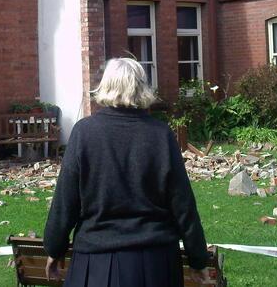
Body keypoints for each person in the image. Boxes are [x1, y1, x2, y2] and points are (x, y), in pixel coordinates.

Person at [43, 57, 210, 287]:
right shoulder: (160, 135)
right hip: (156, 264)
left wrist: (54, 248)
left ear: (106, 86)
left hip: (96, 264)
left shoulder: (84, 133)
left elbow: (65, 202)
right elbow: (183, 206)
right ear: (142, 87)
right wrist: (198, 259)